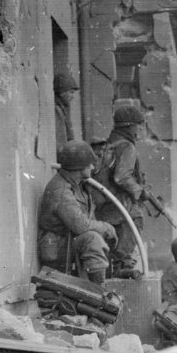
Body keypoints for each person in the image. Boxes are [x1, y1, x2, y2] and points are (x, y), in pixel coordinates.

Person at [38, 141, 117, 285]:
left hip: (68, 242)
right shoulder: (61, 190)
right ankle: (99, 292)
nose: (92, 167)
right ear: (79, 167)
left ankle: (97, 290)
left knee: (95, 238)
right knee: (92, 239)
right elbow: (81, 226)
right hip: (56, 248)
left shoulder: (79, 186)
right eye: (89, 164)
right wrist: (106, 228)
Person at [93, 104, 150, 278]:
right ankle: (121, 264)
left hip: (102, 205)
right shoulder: (127, 147)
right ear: (130, 126)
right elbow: (121, 177)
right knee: (136, 217)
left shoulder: (110, 143)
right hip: (117, 205)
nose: (140, 130)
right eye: (139, 125)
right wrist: (139, 191)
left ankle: (115, 266)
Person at [53, 73, 79, 156]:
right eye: (71, 92)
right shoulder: (57, 111)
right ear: (61, 93)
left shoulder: (61, 109)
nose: (72, 96)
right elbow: (61, 144)